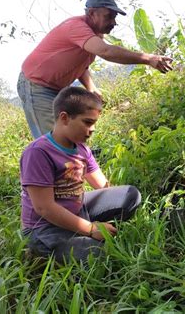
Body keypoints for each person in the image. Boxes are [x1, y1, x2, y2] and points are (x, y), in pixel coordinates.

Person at [17, 0, 173, 138]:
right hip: (35, 86)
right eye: (109, 17)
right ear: (91, 13)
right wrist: (148, 59)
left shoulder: (94, 34)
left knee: (70, 130)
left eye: (114, 17)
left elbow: (81, 65)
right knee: (53, 140)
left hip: (56, 89)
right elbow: (106, 51)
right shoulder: (76, 27)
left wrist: (91, 87)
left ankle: (80, 162)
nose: (114, 22)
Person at [20, 86, 141, 262]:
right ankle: (39, 253)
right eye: (87, 122)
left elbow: (102, 185)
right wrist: (91, 229)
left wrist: (108, 216)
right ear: (64, 118)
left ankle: (81, 233)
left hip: (77, 209)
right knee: (96, 255)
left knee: (130, 196)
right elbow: (44, 208)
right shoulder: (38, 152)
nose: (93, 129)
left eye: (94, 123)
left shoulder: (81, 147)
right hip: (44, 227)